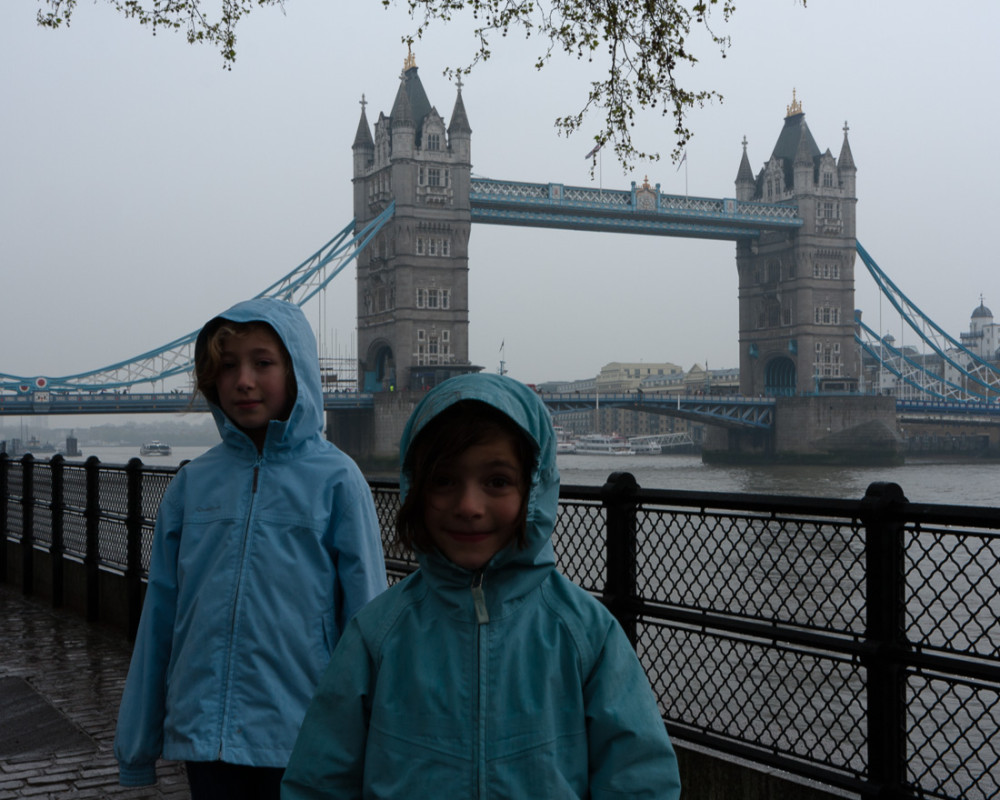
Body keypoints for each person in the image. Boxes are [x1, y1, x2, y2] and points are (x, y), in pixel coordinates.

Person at [281, 372, 681, 799]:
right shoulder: (376, 635)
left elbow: (640, 780)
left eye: (497, 482)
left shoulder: (587, 634)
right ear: (414, 487)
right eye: (443, 480)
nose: (469, 506)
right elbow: (319, 782)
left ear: (536, 488)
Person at [114, 297, 387, 798]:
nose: (243, 380)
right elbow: (160, 618)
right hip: (205, 741)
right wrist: (137, 744)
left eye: (263, 363)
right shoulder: (191, 485)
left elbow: (367, 622)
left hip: (304, 737)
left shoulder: (338, 481)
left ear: (297, 370)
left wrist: (371, 747)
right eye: (228, 366)